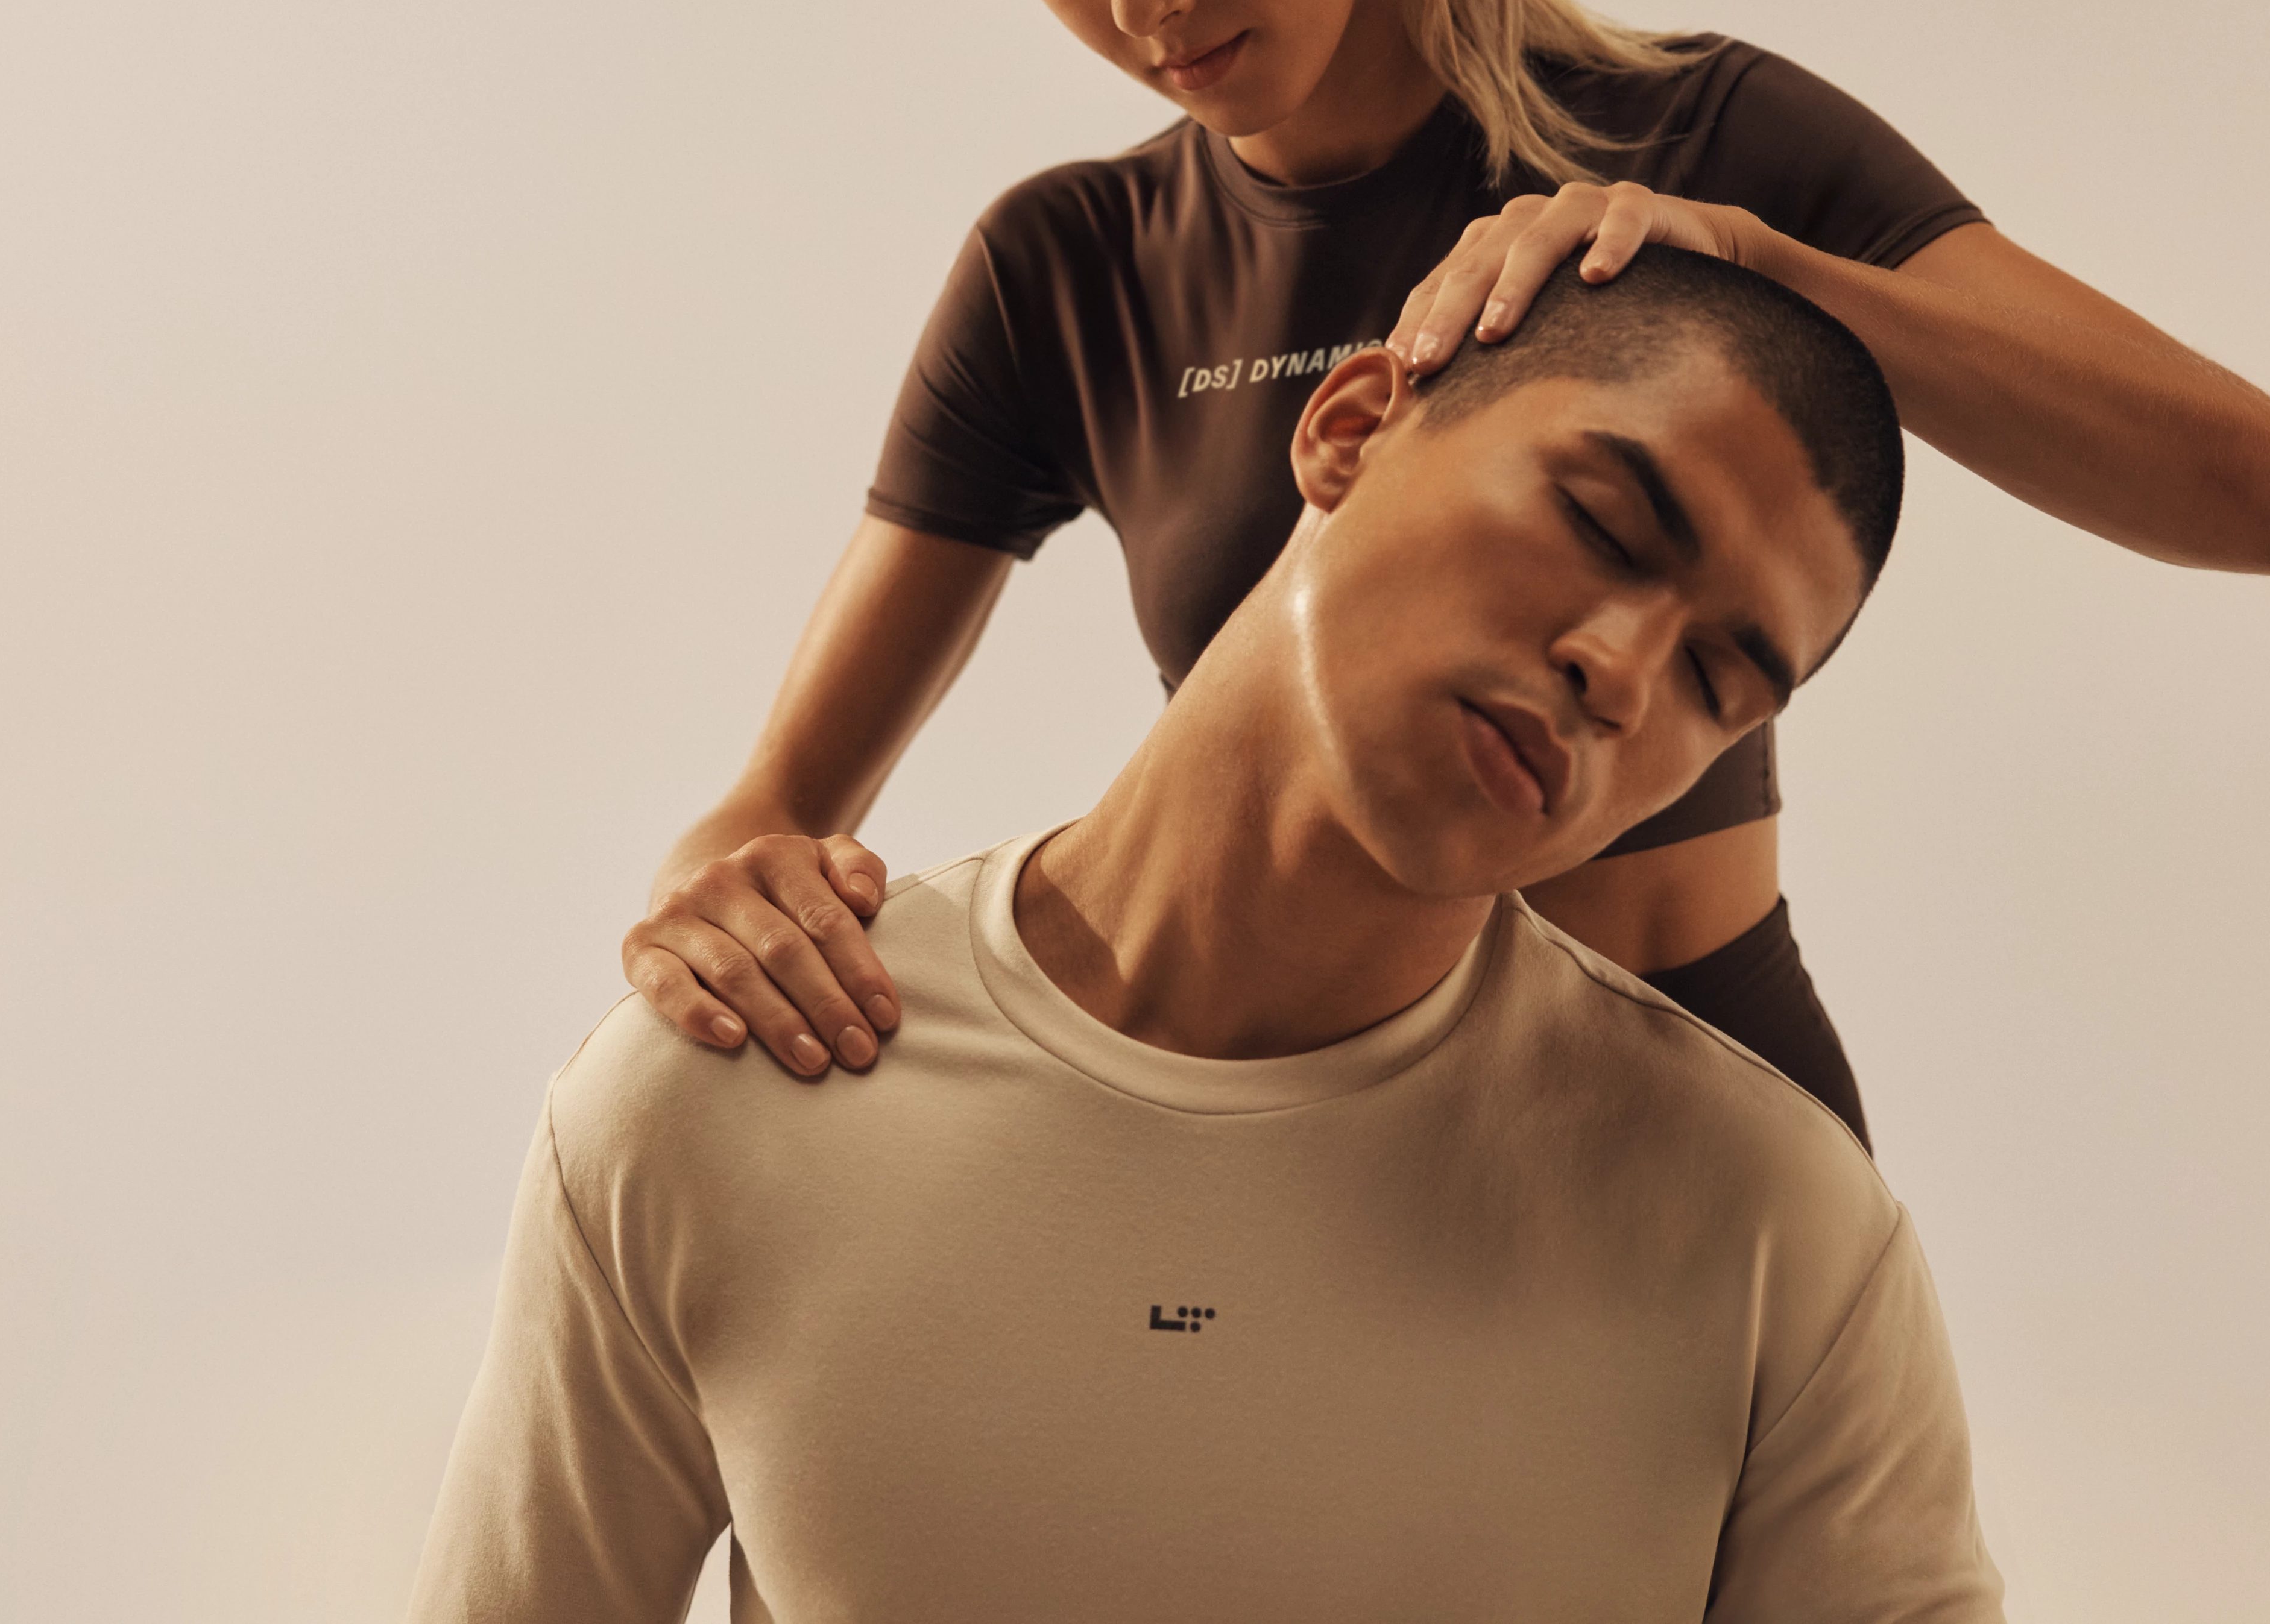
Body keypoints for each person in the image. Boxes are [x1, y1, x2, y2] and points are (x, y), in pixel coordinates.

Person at [620, 0, 2270, 1146]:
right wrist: (718, 906)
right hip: (1295, 1142)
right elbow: (768, 811)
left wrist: (1759, 265)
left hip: (1686, 1125)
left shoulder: (1699, 144)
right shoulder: (1065, 271)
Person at [415, 253, 2002, 1622]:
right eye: (1600, 520)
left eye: (1722, 681)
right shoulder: (726, 1086)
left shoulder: (1778, 1237)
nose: (1622, 670)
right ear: (1354, 426)